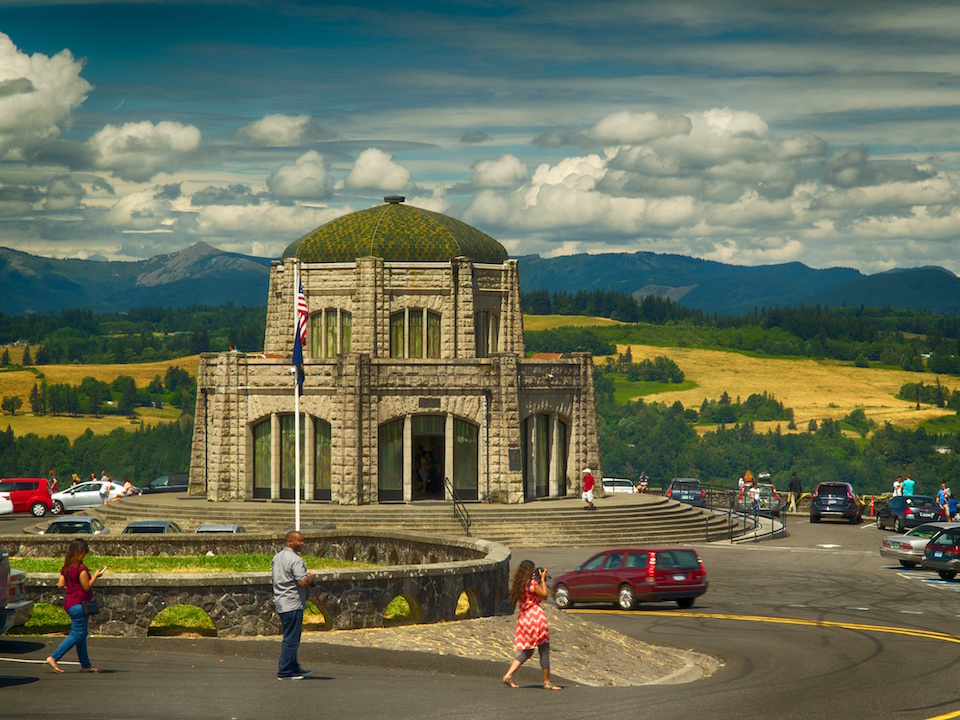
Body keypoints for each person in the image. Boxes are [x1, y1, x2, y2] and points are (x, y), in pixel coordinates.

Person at [45, 538, 103, 674]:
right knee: (77, 635)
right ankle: (53, 657)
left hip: (71, 604)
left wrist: (72, 588)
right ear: (80, 552)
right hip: (79, 604)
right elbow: (86, 587)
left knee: (81, 635)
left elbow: (61, 585)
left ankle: (85, 665)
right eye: (85, 551)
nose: (86, 553)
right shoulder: (81, 568)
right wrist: (95, 576)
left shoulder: (66, 567)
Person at [501, 560, 561, 691]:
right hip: (535, 617)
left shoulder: (519, 585)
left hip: (524, 618)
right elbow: (544, 595)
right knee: (544, 649)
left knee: (527, 651)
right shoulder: (532, 583)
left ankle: (508, 675)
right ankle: (547, 682)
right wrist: (543, 580)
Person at [272, 530, 315, 680]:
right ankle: (285, 671)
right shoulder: (296, 560)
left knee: (290, 636)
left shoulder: (277, 558)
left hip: (281, 602)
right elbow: (302, 581)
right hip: (293, 603)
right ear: (290, 542)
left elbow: (275, 578)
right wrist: (311, 578)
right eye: (299, 541)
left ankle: (294, 666)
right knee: (291, 639)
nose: (302, 543)